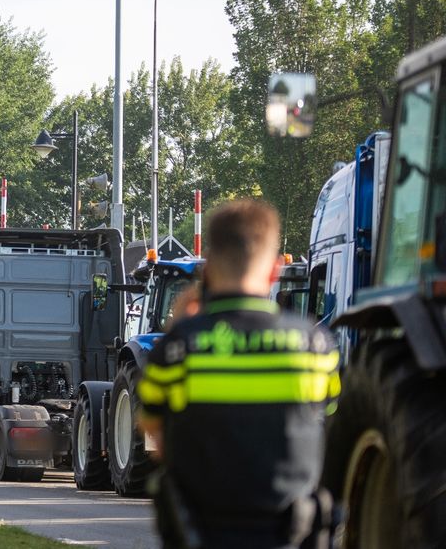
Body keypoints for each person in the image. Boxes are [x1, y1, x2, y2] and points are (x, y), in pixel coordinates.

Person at [137, 199, 340, 548]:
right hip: (291, 533)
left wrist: (179, 324)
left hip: (200, 532)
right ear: (275, 270)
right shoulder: (315, 346)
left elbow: (155, 435)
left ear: (210, 268)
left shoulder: (177, 348)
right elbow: (327, 416)